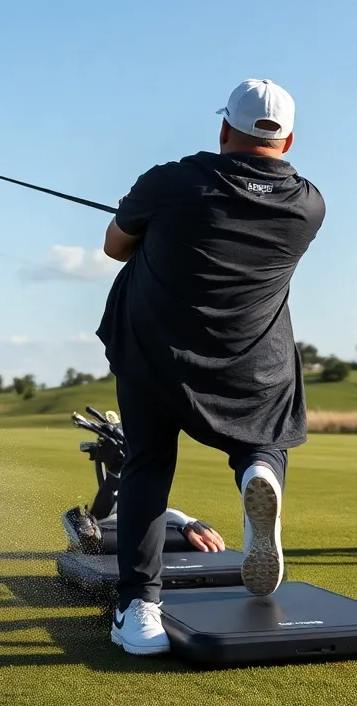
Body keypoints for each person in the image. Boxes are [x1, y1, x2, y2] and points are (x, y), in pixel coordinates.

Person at [95, 78, 326, 656]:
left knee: (148, 463)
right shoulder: (308, 204)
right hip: (252, 359)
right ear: (290, 140)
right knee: (263, 440)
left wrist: (154, 224)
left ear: (225, 128)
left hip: (156, 352)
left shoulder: (170, 181)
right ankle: (257, 475)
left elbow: (114, 245)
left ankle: (139, 607)